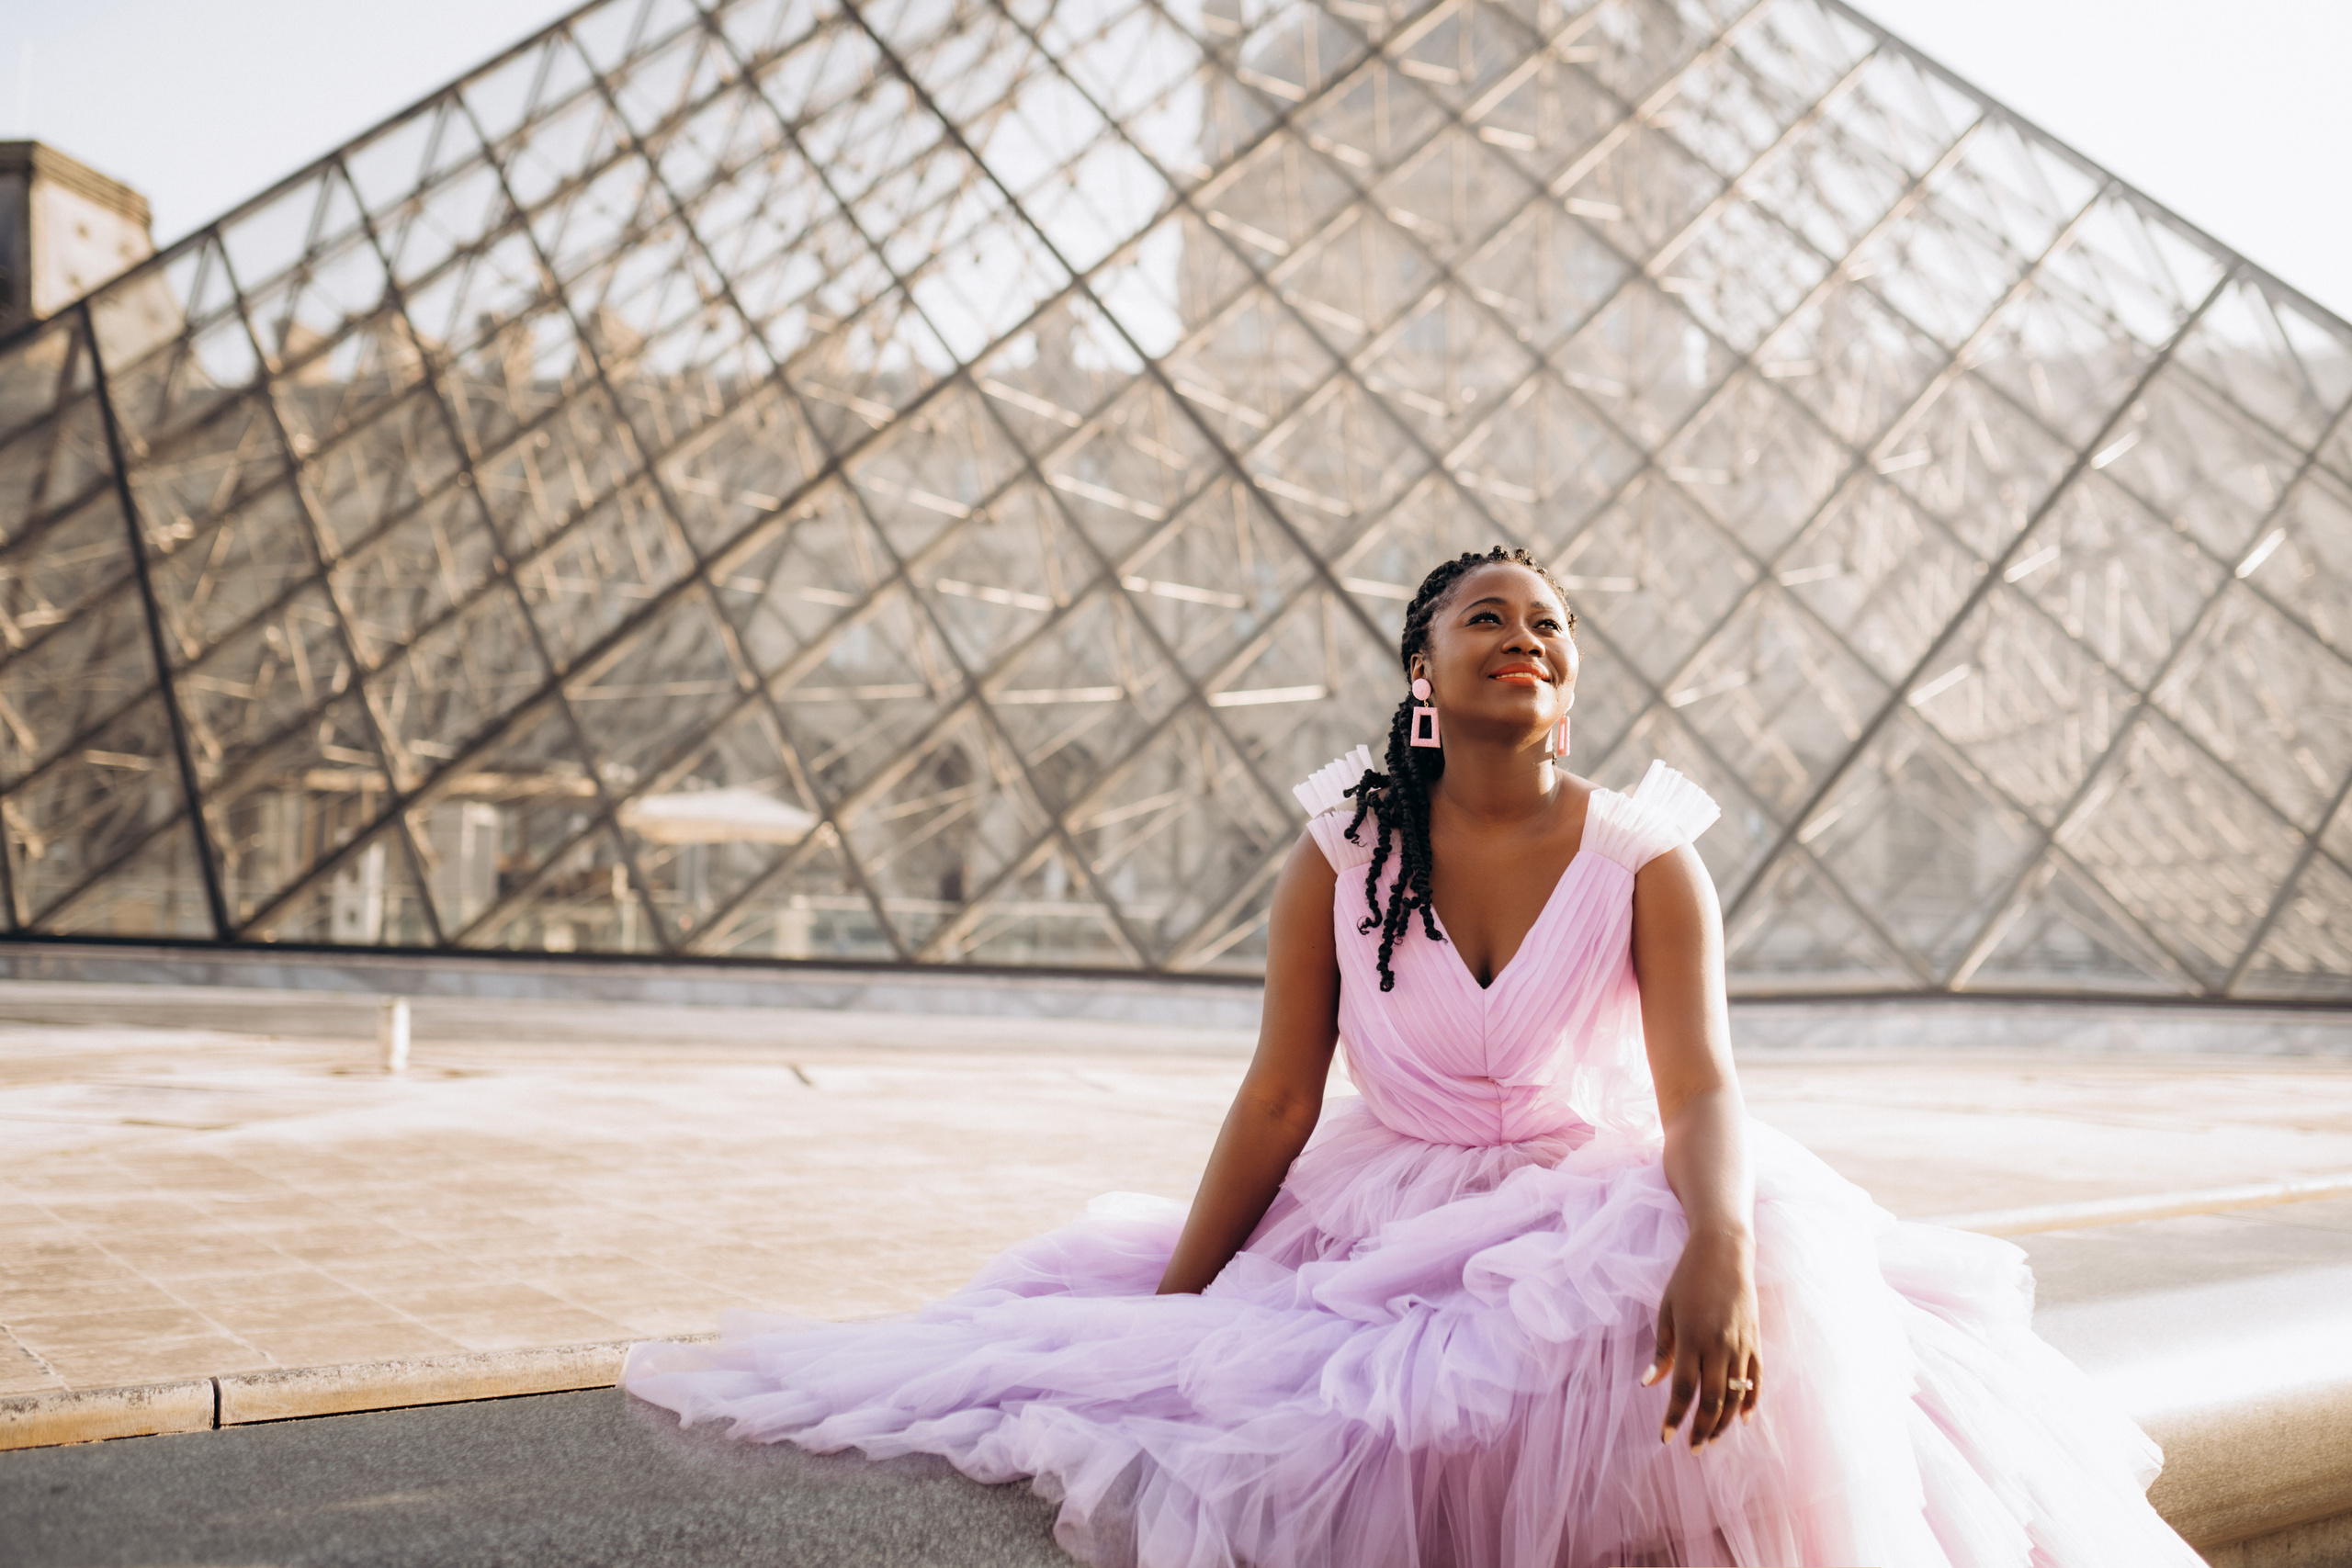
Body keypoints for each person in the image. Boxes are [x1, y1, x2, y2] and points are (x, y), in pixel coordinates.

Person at [625, 546, 2203, 1567]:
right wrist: (1176, 1307)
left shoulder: (1654, 861)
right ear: (1423, 678)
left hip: (1564, 1214)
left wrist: (1716, 1237)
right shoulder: (1337, 857)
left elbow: (1704, 1090)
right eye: (1485, 619)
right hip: (1373, 1222)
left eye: (1551, 627)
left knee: (1752, 1256)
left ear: (1567, 691)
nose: (1525, 639)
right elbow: (1276, 1095)